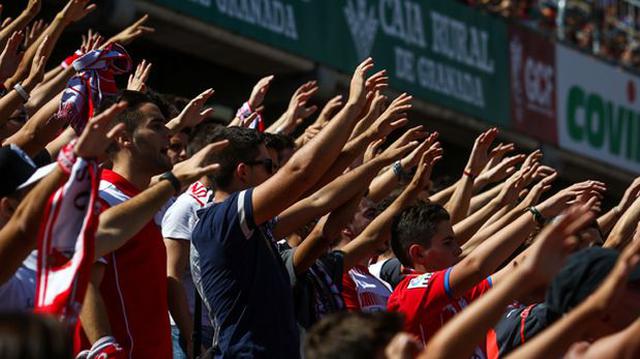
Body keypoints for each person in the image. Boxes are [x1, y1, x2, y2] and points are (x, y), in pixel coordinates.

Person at [191, 58, 376, 357]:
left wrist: (369, 138)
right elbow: (300, 175)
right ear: (242, 172)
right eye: (268, 166)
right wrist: (352, 107)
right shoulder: (219, 220)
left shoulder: (253, 225)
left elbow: (316, 193)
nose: (275, 174)